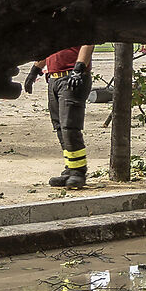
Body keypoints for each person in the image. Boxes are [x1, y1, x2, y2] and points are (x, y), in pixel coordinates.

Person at [42, 43, 93, 189]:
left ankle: (78, 171)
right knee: (59, 127)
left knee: (69, 126)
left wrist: (79, 67)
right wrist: (37, 68)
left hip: (71, 78)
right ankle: (70, 167)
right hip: (53, 78)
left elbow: (88, 42)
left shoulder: (76, 21)